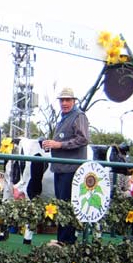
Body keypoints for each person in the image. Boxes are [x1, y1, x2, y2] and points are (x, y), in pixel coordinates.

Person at [42, 87, 89, 244]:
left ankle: (66, 241)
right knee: (62, 204)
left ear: (74, 101)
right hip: (61, 168)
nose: (64, 103)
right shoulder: (64, 118)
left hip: (71, 169)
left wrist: (59, 145)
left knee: (67, 205)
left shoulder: (79, 116)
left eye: (68, 100)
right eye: (62, 100)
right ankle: (63, 240)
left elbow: (83, 139)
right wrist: (50, 144)